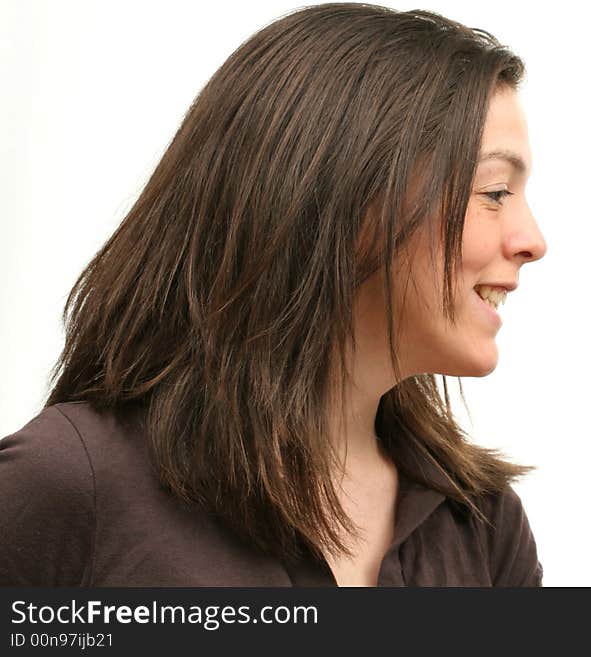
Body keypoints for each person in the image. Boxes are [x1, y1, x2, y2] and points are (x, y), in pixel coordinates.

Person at [0, 2, 547, 587]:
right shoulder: (68, 485)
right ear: (342, 193)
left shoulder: (482, 524)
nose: (532, 240)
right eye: (493, 191)